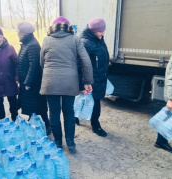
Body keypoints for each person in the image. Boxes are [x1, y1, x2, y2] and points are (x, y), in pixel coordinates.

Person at [40, 16, 94, 153]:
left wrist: (49, 72)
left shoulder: (46, 39)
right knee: (69, 112)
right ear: (68, 27)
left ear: (53, 27)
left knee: (53, 113)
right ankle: (70, 143)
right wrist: (87, 81)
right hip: (70, 81)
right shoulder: (75, 39)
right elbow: (86, 61)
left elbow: (42, 61)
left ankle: (58, 142)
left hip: (50, 81)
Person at [17, 21, 51, 134]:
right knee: (31, 105)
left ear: (24, 34)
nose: (18, 34)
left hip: (33, 83)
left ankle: (47, 124)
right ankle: (33, 121)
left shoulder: (32, 45)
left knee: (39, 105)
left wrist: (28, 82)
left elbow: (34, 66)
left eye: (19, 33)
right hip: (26, 81)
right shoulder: (26, 43)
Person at [78, 17, 109, 137]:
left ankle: (80, 118)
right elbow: (81, 65)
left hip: (100, 76)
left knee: (90, 101)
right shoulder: (85, 43)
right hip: (91, 79)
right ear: (92, 30)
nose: (102, 34)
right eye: (100, 31)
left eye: (103, 31)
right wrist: (85, 82)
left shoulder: (98, 40)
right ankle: (95, 125)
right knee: (94, 102)